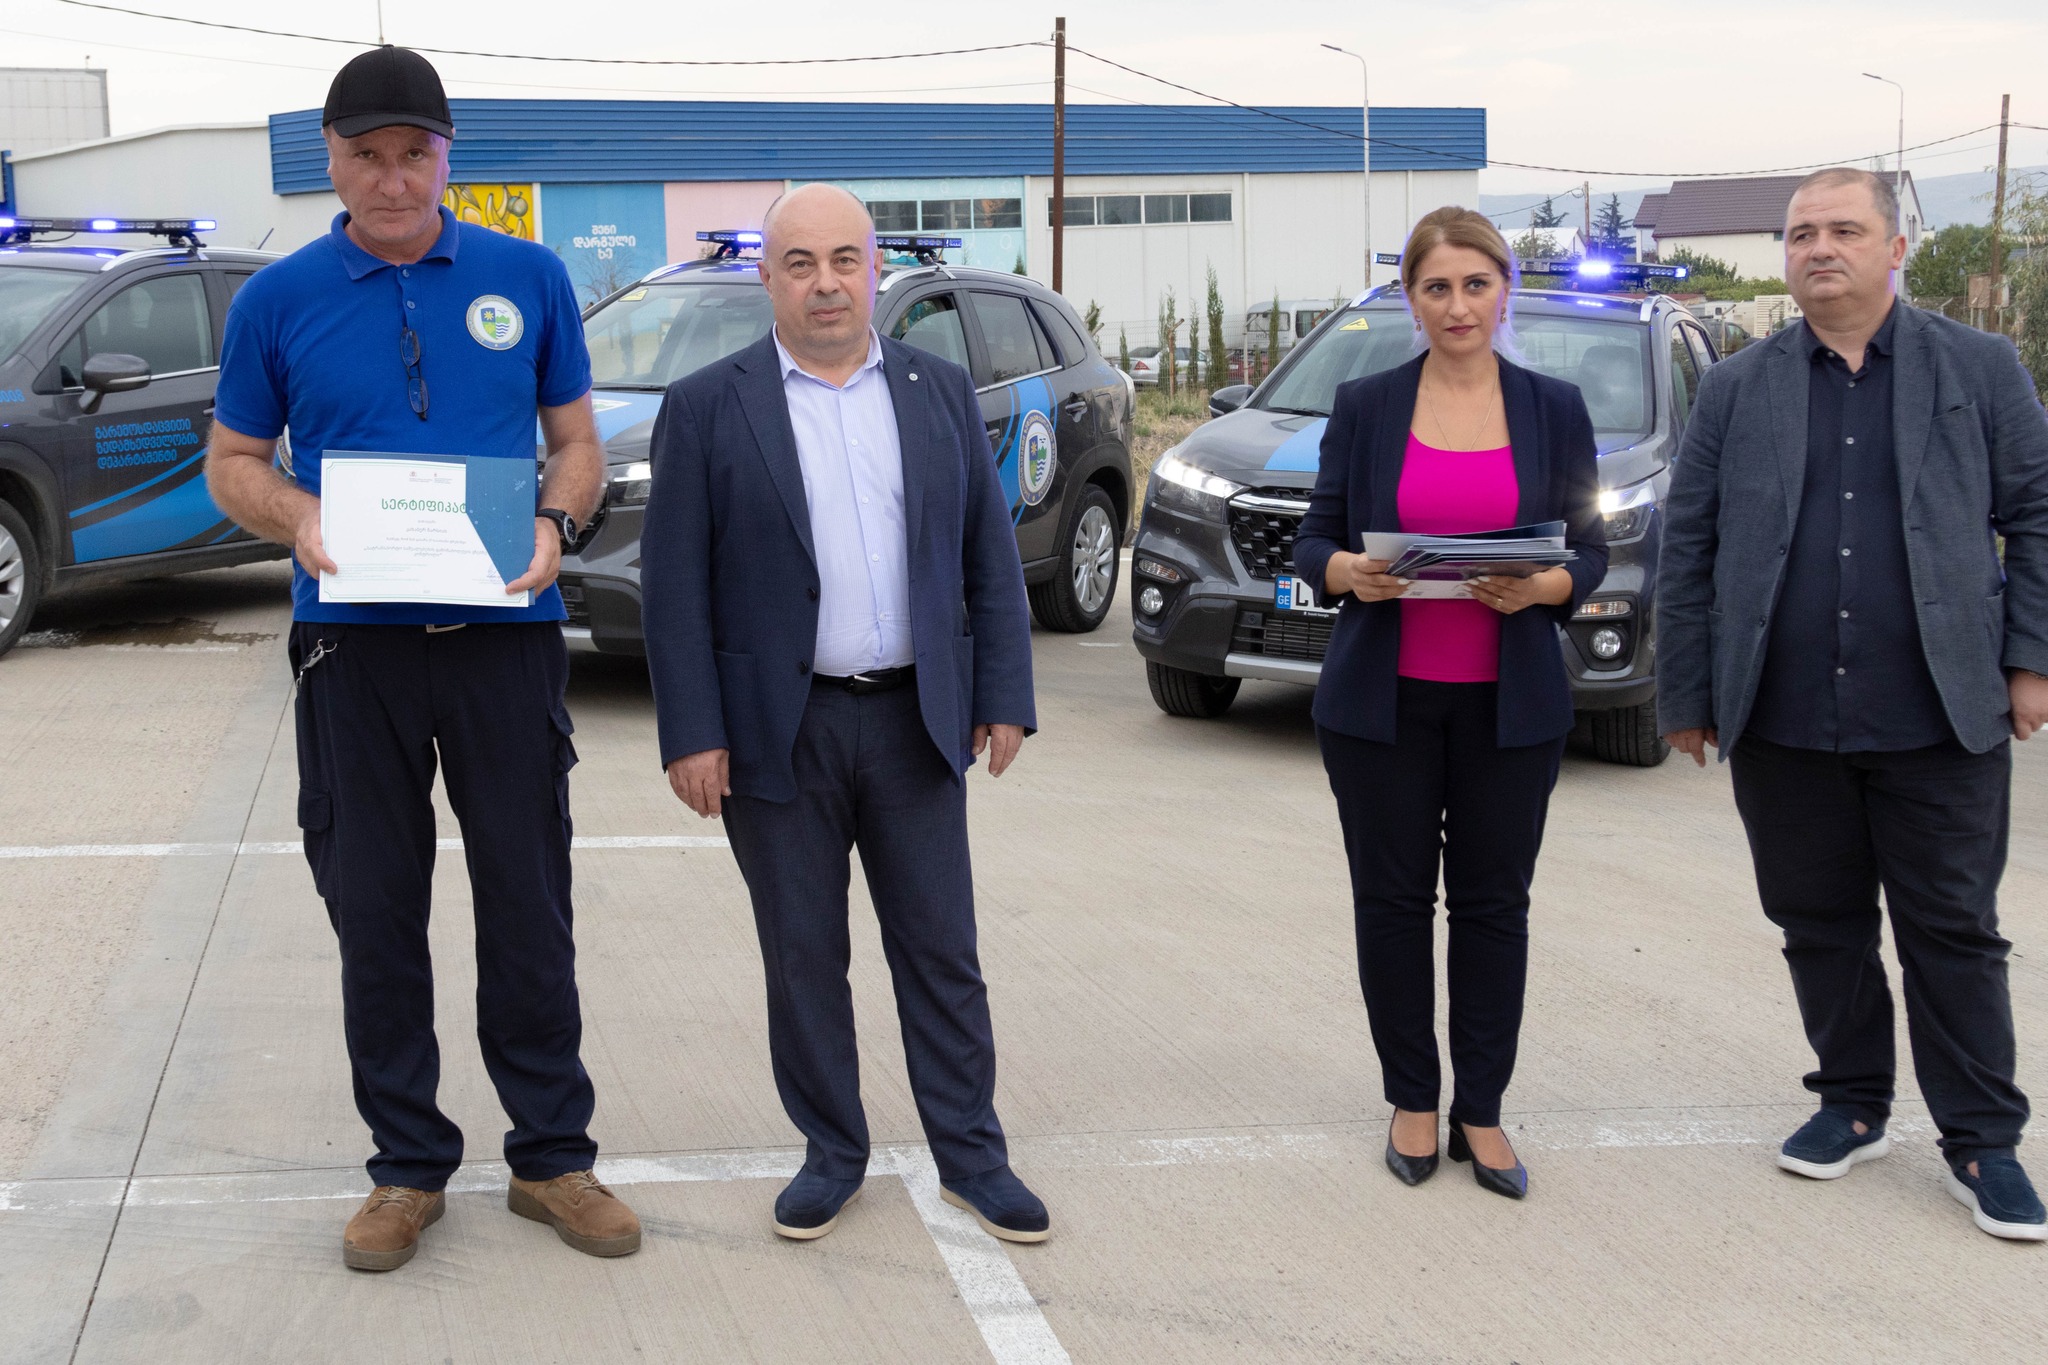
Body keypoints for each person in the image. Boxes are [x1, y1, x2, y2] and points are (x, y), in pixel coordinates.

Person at [206, 45, 640, 1270]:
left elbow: (576, 446)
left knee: (528, 902)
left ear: (447, 157)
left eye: (415, 154)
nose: (392, 180)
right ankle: (405, 1169)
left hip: (504, 645)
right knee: (376, 910)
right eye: (366, 156)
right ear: (331, 162)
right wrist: (297, 517)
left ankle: (551, 1158)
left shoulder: (527, 276)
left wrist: (555, 526)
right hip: (353, 651)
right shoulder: (276, 301)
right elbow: (232, 463)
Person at [638, 184, 1049, 1243]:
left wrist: (1002, 691)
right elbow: (674, 588)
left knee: (941, 951)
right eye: (800, 263)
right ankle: (831, 1152)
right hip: (777, 732)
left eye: (843, 261)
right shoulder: (706, 405)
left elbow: (986, 555)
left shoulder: (937, 390)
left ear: (874, 269)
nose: (825, 283)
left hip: (917, 722)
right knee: (803, 955)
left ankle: (972, 1155)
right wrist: (692, 731)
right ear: (767, 278)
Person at [1658, 167, 2048, 1241]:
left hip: (1939, 714)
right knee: (1816, 923)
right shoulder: (1738, 386)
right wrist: (1686, 692)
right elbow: (1688, 544)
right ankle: (1851, 1102)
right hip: (1783, 718)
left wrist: (2031, 661)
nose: (1818, 248)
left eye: (1842, 229)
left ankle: (1983, 1139)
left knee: (1952, 932)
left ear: (1894, 247)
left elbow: (2036, 516)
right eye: (1800, 234)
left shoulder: (1978, 369)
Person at [1292, 207, 1608, 1200]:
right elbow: (1313, 540)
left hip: (1508, 710)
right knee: (1391, 905)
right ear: (1410, 298)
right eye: (1437, 287)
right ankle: (1411, 1101)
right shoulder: (1366, 403)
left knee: (1492, 908)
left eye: (1476, 284)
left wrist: (1547, 586)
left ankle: (1482, 1109)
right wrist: (1346, 570)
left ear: (1504, 292)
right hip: (1381, 707)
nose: (1458, 305)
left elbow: (1591, 547)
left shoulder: (1554, 407)